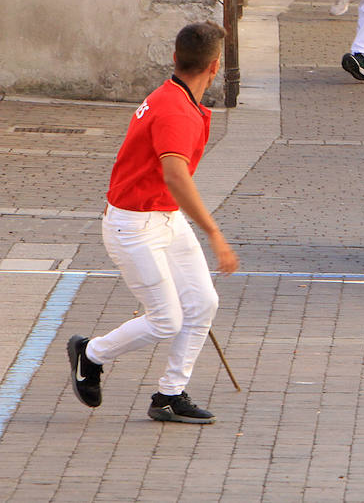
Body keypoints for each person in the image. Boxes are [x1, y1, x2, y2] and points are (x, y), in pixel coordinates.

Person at [66, 23, 238, 426]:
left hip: (163, 218)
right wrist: (215, 234)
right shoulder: (176, 111)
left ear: (176, 59)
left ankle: (169, 395)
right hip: (134, 226)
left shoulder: (172, 96)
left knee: (203, 303)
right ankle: (90, 355)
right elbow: (176, 176)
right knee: (167, 320)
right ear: (215, 67)